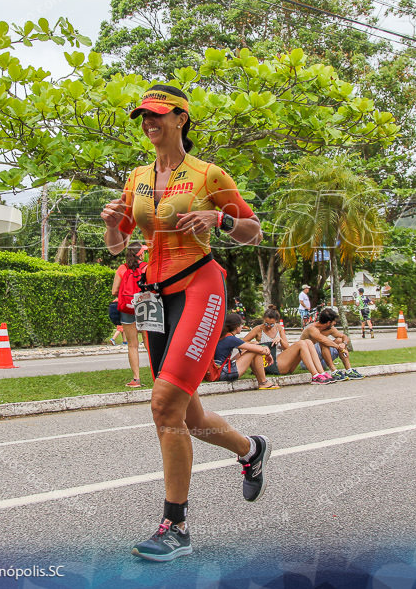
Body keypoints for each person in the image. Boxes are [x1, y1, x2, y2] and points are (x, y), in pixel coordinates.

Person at [101, 84, 268, 562]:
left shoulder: (208, 173)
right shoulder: (136, 177)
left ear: (181, 119)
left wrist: (219, 218)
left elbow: (253, 231)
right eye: (143, 117)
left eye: (158, 115)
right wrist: (113, 221)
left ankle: (175, 525)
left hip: (199, 286)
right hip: (155, 296)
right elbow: (118, 246)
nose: (149, 123)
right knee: (187, 416)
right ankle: (251, 449)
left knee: (163, 406)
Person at [244, 305, 333, 383]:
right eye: (266, 323)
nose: (268, 326)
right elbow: (243, 342)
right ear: (263, 320)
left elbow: (286, 347)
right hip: (270, 363)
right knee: (301, 343)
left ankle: (321, 373)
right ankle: (314, 375)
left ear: (276, 322)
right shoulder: (258, 329)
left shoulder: (279, 328)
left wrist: (280, 340)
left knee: (308, 342)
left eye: (271, 324)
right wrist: (254, 343)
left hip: (283, 361)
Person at [112, 242, 148, 388]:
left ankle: (136, 380)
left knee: (132, 345)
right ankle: (158, 374)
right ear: (140, 254)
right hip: (145, 307)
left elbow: (114, 291)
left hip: (127, 307)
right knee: (148, 341)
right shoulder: (146, 267)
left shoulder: (122, 268)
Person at [214, 313, 279, 389]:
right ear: (236, 326)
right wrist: (267, 351)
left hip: (219, 370)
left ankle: (262, 381)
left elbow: (248, 347)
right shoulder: (231, 339)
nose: (242, 327)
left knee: (253, 347)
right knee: (255, 351)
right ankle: (263, 382)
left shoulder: (225, 336)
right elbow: (259, 349)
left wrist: (259, 346)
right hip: (224, 373)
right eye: (241, 325)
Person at [299, 308, 362, 379]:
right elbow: (323, 340)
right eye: (334, 321)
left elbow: (344, 337)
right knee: (324, 342)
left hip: (322, 362)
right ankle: (334, 371)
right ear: (329, 322)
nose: (335, 323)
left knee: (339, 340)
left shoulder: (330, 328)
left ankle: (349, 370)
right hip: (308, 362)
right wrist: (339, 348)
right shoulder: (311, 328)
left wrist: (343, 344)